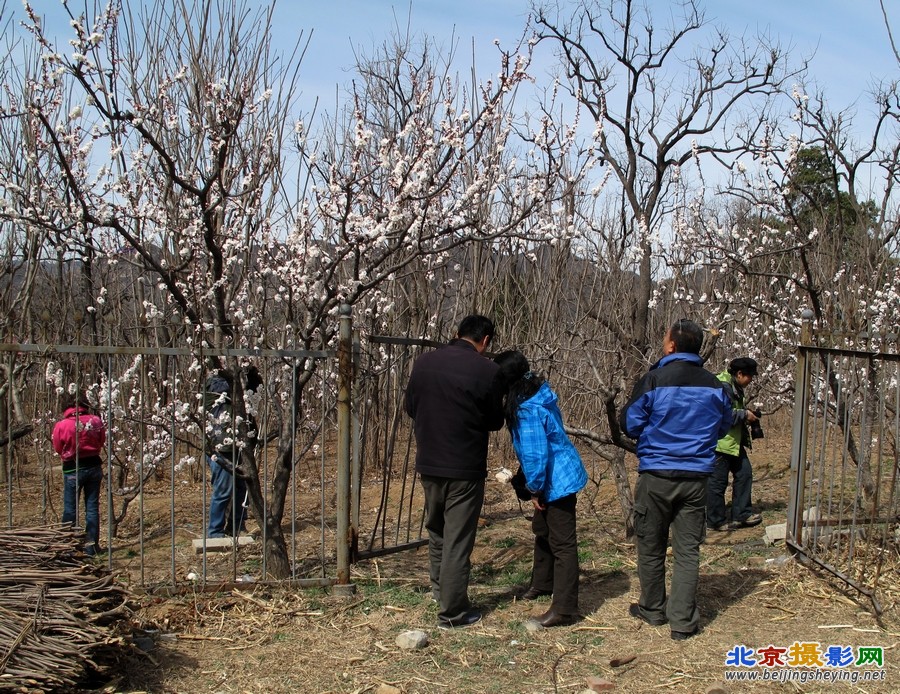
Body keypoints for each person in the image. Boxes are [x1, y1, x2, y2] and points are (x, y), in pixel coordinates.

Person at [619, 319, 732, 640]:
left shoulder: (653, 380)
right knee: (687, 551)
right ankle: (682, 622)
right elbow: (723, 427)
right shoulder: (715, 386)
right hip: (697, 479)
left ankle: (653, 610)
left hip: (656, 475)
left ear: (670, 346)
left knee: (651, 546)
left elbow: (629, 423)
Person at [404, 315, 505, 629]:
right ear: (486, 340)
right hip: (464, 466)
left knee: (437, 531)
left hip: (430, 461)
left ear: (456, 333)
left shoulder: (424, 363)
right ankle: (453, 613)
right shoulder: (489, 371)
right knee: (458, 540)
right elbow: (494, 420)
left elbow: (410, 407)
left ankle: (440, 591)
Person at [494, 350, 587, 628]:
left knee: (563, 543)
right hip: (556, 475)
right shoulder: (535, 393)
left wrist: (534, 490)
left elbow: (536, 457)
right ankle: (543, 583)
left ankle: (565, 609)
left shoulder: (527, 409)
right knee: (543, 530)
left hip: (555, 480)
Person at [707, 357, 763, 531]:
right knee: (717, 482)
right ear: (739, 374)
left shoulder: (734, 386)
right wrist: (745, 415)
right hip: (720, 443)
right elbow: (722, 414)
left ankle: (742, 514)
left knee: (744, 474)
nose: (751, 380)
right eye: (750, 376)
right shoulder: (723, 386)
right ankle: (715, 520)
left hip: (733, 441)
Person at [52, 393, 106, 556]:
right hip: (94, 466)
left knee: (70, 509)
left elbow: (57, 447)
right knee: (92, 508)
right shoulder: (95, 421)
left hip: (72, 470)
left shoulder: (62, 425)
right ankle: (91, 547)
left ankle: (68, 547)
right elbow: (101, 440)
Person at [204, 369, 248, 539]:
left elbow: (254, 387)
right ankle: (215, 533)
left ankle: (237, 527)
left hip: (240, 445)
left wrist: (250, 371)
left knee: (242, 489)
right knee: (223, 490)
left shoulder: (237, 383)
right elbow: (225, 388)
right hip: (221, 447)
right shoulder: (214, 385)